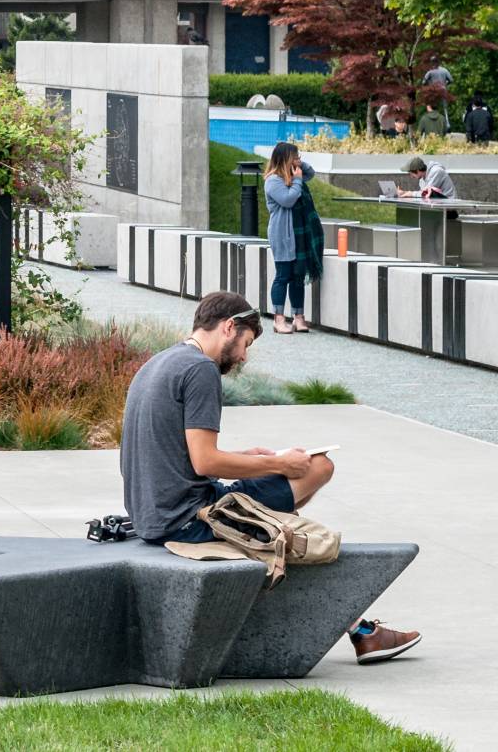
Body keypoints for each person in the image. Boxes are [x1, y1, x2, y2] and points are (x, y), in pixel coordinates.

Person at [120, 292, 421, 664]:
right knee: (317, 475)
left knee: (302, 489)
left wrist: (248, 458)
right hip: (189, 518)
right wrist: (279, 465)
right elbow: (204, 460)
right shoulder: (200, 370)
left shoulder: (160, 362)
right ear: (229, 327)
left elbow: (179, 453)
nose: (244, 356)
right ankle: (361, 631)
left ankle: (360, 629)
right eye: (245, 344)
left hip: (153, 513)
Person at [263, 141, 318, 334]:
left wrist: (300, 166)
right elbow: (287, 199)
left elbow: (310, 174)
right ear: (285, 159)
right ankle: (278, 319)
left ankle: (298, 317)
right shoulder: (273, 181)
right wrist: (297, 180)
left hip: (298, 234)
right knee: (283, 275)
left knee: (298, 276)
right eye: (295, 157)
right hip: (283, 235)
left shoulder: (294, 175)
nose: (298, 160)